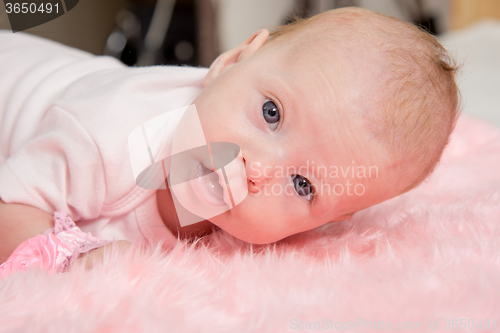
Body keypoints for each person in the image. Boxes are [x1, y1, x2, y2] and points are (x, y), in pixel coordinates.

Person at [0, 7, 459, 271]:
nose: (257, 169)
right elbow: (10, 203)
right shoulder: (107, 133)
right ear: (234, 61)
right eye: (271, 113)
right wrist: (68, 261)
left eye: (303, 185)